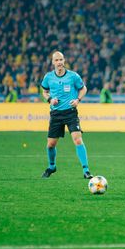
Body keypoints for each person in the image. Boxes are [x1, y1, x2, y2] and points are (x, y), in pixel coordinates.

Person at [40, 51, 92, 179]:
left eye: (61, 60)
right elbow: (44, 91)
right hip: (56, 114)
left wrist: (78, 100)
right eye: (56, 60)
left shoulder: (73, 76)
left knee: (78, 139)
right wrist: (50, 100)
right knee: (51, 144)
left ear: (64, 61)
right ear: (53, 62)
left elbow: (83, 88)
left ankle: (86, 170)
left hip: (70, 113)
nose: (59, 62)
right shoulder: (48, 77)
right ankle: (52, 167)